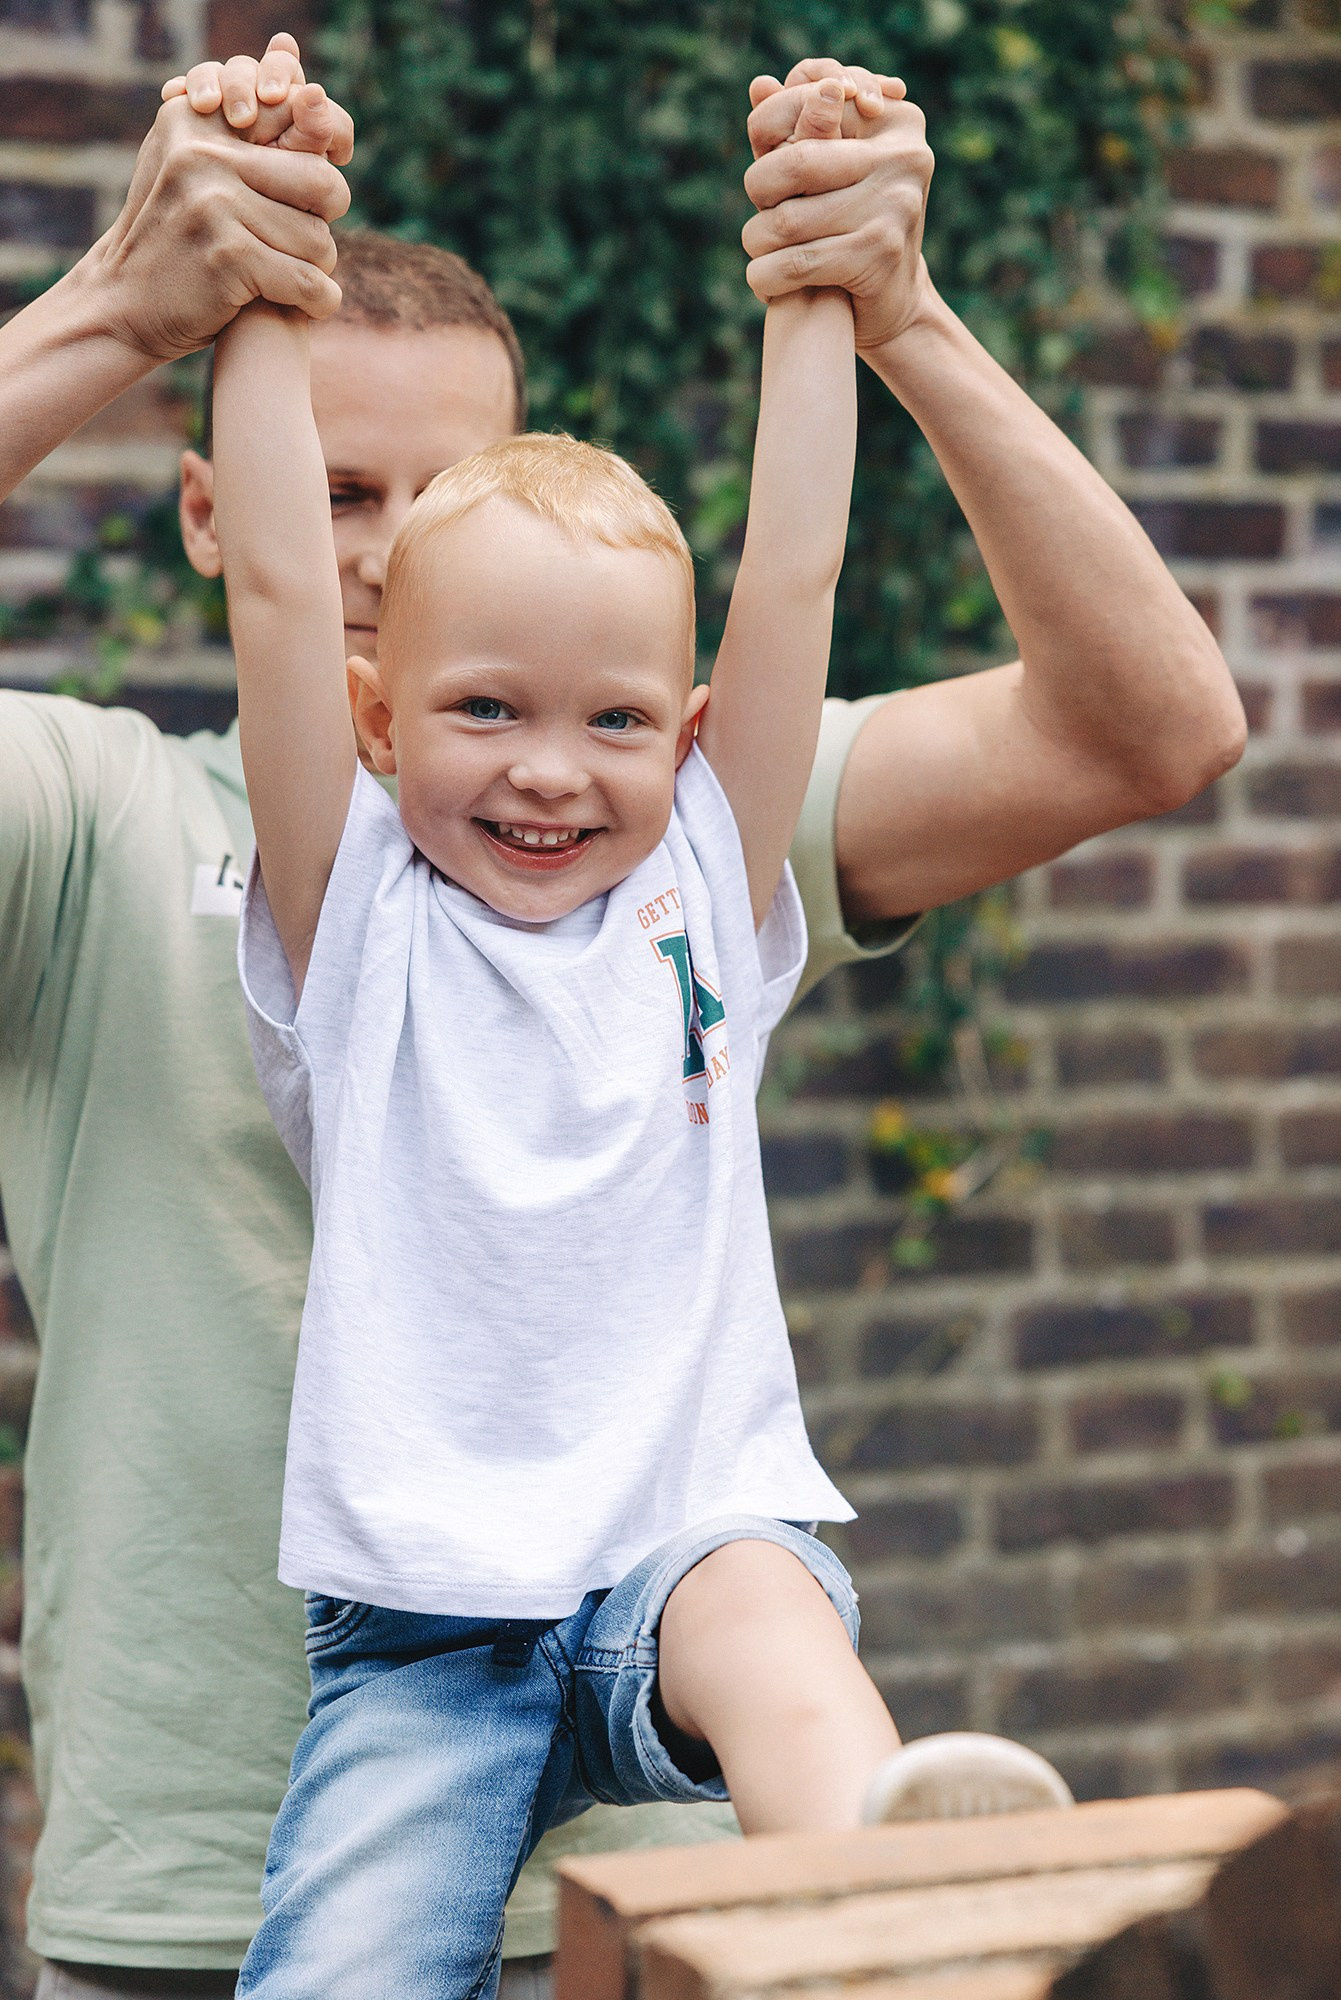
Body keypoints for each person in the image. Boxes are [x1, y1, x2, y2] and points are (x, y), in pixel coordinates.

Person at [0, 29, 1245, 2000]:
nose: (386, 551)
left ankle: (881, 1893)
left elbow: (1119, 707)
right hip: (233, 1833)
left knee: (762, 1615)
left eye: (441, 496)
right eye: (331, 489)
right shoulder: (175, 841)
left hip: (646, 1817)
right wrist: (126, 307)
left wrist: (874, 308)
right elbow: (283, 679)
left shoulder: (666, 856)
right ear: (209, 511)